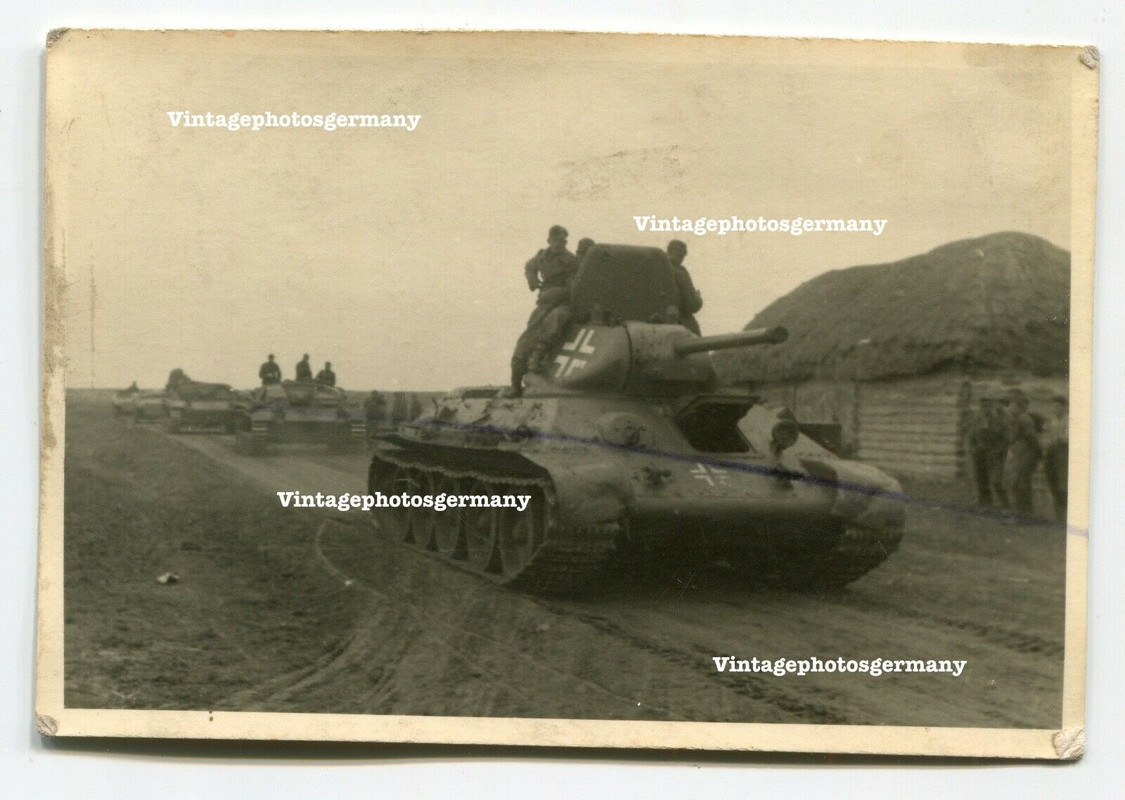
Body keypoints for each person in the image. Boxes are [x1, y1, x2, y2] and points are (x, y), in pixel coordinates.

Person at [511, 225, 580, 394]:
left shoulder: (572, 261)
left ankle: (539, 356)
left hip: (564, 302)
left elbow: (579, 285)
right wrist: (532, 280)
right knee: (527, 338)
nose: (560, 243)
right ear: (549, 240)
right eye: (557, 240)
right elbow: (529, 266)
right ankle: (515, 383)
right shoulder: (542, 256)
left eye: (564, 240)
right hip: (545, 302)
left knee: (554, 321)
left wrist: (563, 292)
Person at [1003, 389, 1042, 520]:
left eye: (1013, 405)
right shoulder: (1019, 419)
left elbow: (1032, 439)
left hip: (1027, 455)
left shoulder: (1024, 419)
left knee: (1020, 484)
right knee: (1020, 483)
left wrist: (1037, 454)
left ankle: (1023, 514)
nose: (1010, 408)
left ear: (1019, 406)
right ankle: (1025, 512)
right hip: (1023, 455)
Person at [967, 394, 1009, 507]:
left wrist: (998, 450)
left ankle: (1003, 502)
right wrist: (972, 448)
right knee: (980, 477)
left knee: (994, 478)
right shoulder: (976, 419)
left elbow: (1004, 438)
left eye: (987, 405)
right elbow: (970, 436)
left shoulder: (998, 421)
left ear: (991, 406)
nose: (985, 408)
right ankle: (984, 500)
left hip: (992, 453)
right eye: (983, 406)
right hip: (978, 453)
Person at [666, 240, 703, 335]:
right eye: (681, 254)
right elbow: (692, 305)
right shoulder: (680, 272)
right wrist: (698, 296)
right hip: (683, 324)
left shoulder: (657, 268)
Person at [1042, 394, 1069, 521]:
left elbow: (1066, 438)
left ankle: (1063, 513)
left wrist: (1056, 436)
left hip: (1063, 453)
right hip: (1051, 453)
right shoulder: (1051, 420)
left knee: (1062, 482)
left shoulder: (1069, 420)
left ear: (1064, 407)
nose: (1055, 409)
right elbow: (1046, 438)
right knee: (1051, 479)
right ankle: (1058, 512)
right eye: (1053, 407)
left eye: (1058, 407)